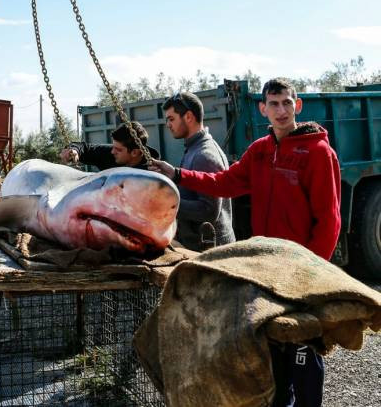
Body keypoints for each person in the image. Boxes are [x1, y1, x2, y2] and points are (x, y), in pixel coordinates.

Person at [149, 78, 341, 407]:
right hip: (267, 268)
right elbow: (226, 182)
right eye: (273, 104)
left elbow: (329, 220)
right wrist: (179, 175)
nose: (281, 110)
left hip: (301, 273)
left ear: (297, 106)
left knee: (304, 346)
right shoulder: (260, 151)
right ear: (262, 108)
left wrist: (311, 273)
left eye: (286, 103)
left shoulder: (318, 152)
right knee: (273, 345)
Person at [162, 92, 235, 250]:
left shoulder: (204, 155)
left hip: (211, 254)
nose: (168, 124)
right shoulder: (194, 148)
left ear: (188, 117)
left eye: (171, 119)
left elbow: (209, 211)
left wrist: (167, 204)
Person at [59, 121, 160, 170]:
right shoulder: (109, 155)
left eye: (118, 150)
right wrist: (74, 151)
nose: (112, 152)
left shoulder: (152, 171)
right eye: (113, 147)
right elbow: (85, 148)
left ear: (135, 152)